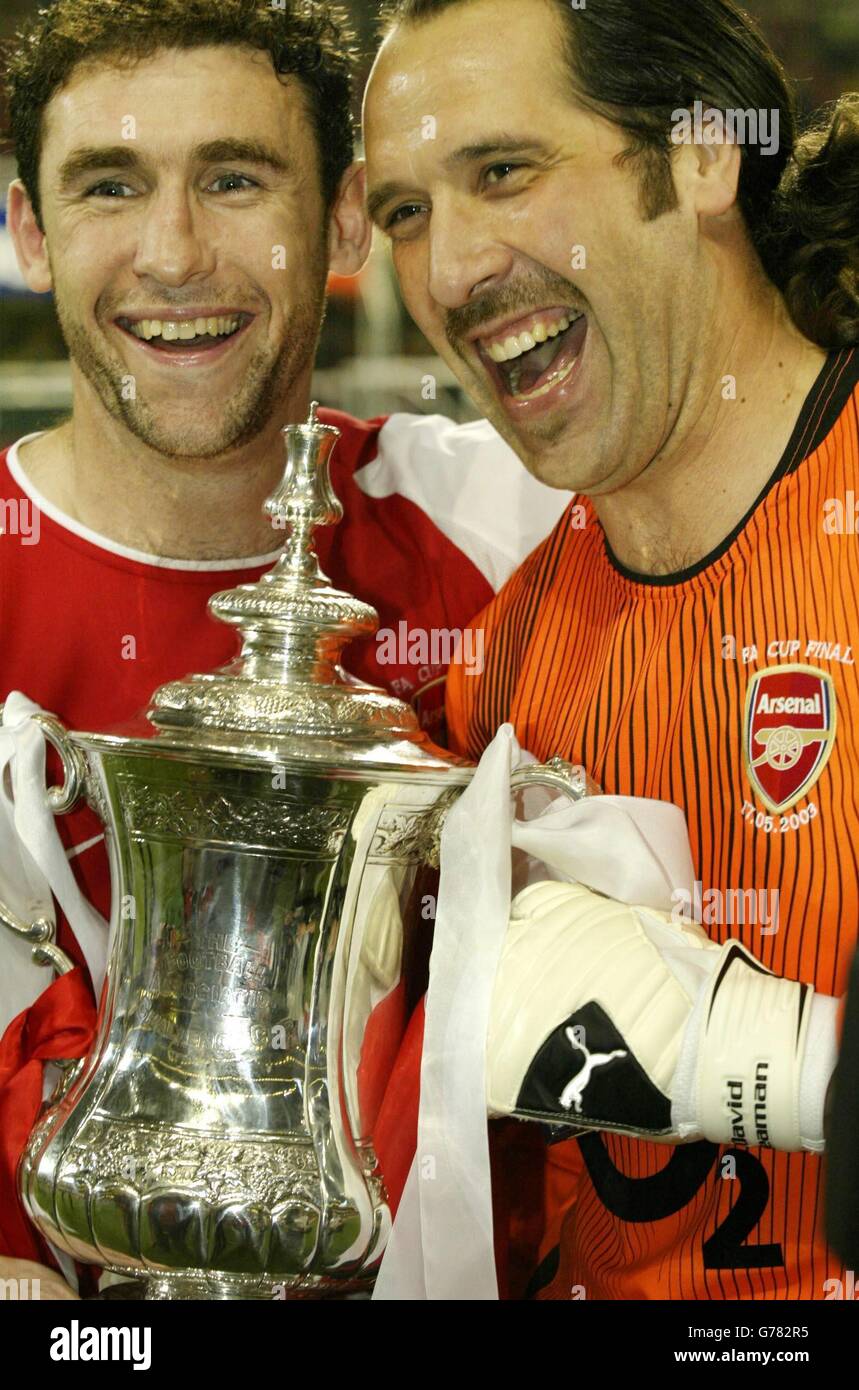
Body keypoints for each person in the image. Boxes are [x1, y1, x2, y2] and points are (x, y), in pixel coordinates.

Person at [0, 0, 570, 1296]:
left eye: (236, 179)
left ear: (350, 217)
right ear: (28, 230)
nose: (174, 252)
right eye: (109, 186)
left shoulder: (515, 535)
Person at [364, 0, 859, 1299]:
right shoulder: (506, 656)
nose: (451, 269)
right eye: (407, 210)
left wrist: (770, 1060)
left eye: (504, 172)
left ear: (701, 156)